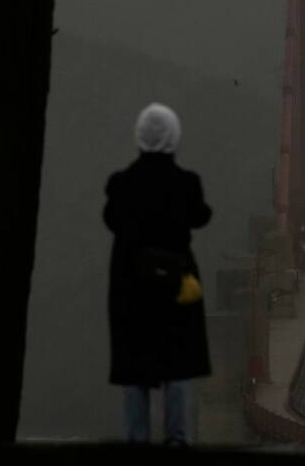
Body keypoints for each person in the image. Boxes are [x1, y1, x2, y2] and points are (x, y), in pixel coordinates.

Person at [104, 103, 213, 445]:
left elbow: (110, 219)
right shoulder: (186, 183)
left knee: (134, 363)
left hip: (130, 286)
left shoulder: (121, 184)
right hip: (175, 283)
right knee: (177, 361)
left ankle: (137, 439)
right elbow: (200, 216)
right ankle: (176, 439)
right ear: (174, 137)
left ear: (139, 137)